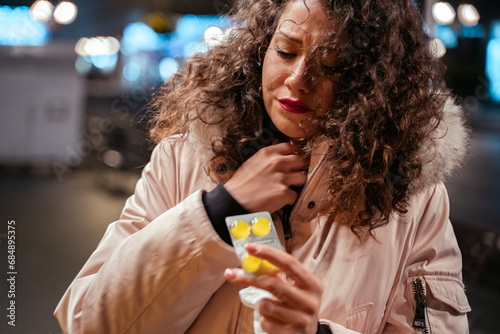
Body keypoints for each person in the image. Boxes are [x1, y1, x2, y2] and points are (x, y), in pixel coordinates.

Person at [55, 0, 472, 333]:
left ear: (373, 82)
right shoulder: (182, 161)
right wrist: (218, 211)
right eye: (287, 50)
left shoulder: (413, 198)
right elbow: (88, 322)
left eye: (331, 65)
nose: (298, 78)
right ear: (261, 47)